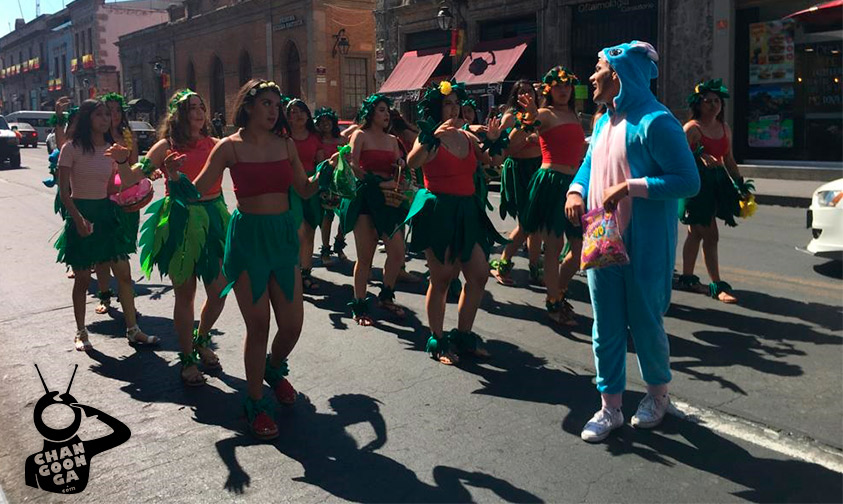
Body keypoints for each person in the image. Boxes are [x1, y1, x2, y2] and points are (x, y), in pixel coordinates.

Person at [164, 79, 322, 440]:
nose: (274, 110)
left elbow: (304, 187)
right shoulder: (228, 147)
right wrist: (174, 178)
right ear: (249, 106)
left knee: (293, 324)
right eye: (266, 103)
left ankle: (274, 368)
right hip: (248, 240)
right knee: (259, 326)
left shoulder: (286, 145)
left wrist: (329, 175)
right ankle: (255, 404)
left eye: (276, 104)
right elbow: (199, 187)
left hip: (283, 240)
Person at [564, 41, 699, 443]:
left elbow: (687, 180)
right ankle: (610, 408)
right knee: (604, 326)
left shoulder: (657, 122)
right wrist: (575, 189)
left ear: (620, 74)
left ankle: (658, 396)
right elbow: (590, 164)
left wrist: (631, 187)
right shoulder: (603, 120)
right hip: (601, 235)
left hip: (645, 242)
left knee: (645, 324)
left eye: (598, 67)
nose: (591, 76)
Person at [405, 80, 507, 365]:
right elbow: (412, 163)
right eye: (447, 104)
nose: (454, 108)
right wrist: (431, 138)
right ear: (437, 109)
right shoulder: (429, 136)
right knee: (442, 277)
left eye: (456, 104)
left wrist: (497, 138)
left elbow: (494, 159)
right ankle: (437, 339)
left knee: (478, 274)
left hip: (467, 210)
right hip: (440, 211)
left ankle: (463, 335)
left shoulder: (468, 137)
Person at [136, 89, 230, 386]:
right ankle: (187, 358)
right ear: (179, 114)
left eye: (202, 106)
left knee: (219, 290)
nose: (199, 112)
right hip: (180, 220)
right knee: (185, 293)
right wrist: (126, 163)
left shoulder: (217, 144)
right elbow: (138, 174)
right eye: (192, 108)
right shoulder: (167, 146)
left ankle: (201, 338)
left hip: (214, 218)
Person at [55, 99, 159, 351]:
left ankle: (133, 329)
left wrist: (138, 171)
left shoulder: (113, 148)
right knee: (81, 279)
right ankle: (81, 331)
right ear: (87, 118)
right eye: (99, 115)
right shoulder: (72, 148)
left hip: (106, 215)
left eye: (107, 115)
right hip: (81, 215)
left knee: (123, 274)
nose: (106, 119)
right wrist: (78, 219)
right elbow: (64, 191)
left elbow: (118, 184)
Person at [518, 67, 587, 325]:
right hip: (551, 182)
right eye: (558, 86)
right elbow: (529, 125)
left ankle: (558, 289)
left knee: (579, 249)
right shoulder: (545, 114)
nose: (563, 90)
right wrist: (531, 114)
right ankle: (553, 301)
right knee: (554, 245)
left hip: (575, 185)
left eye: (567, 86)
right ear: (549, 90)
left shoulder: (573, 114)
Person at [336, 94, 409, 325]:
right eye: (381, 110)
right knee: (365, 258)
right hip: (366, 199)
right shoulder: (360, 134)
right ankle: (359, 305)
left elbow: (398, 168)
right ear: (370, 113)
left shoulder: (392, 139)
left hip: (388, 201)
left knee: (397, 253)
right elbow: (353, 166)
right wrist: (377, 182)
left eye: (387, 110)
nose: (386, 114)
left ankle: (386, 296)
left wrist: (401, 167)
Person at [676, 79, 750, 304]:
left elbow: (728, 159)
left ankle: (687, 278)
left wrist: (740, 184)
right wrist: (699, 157)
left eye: (717, 101)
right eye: (708, 101)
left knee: (696, 233)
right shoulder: (691, 129)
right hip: (696, 187)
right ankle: (717, 285)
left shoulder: (724, 127)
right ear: (698, 103)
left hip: (716, 186)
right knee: (711, 235)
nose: (713, 105)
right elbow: (675, 158)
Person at [489, 80, 544, 286]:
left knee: (535, 224)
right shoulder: (512, 116)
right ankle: (504, 263)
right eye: (522, 92)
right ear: (515, 96)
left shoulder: (539, 112)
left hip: (537, 168)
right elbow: (506, 148)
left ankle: (534, 268)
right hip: (519, 170)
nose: (526, 95)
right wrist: (525, 137)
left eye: (529, 91)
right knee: (527, 224)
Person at [287, 99, 327, 291]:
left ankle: (305, 273)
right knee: (299, 230)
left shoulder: (314, 137)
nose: (299, 115)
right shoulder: (283, 137)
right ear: (287, 117)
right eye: (293, 112)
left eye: (302, 111)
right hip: (291, 187)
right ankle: (293, 272)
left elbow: (321, 164)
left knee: (310, 230)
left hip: (312, 186)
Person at [313, 106, 349, 265]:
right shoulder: (318, 141)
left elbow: (350, 159)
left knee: (345, 216)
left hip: (343, 182)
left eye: (328, 120)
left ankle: (339, 244)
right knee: (327, 217)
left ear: (334, 122)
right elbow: (321, 162)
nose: (325, 124)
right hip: (327, 183)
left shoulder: (343, 140)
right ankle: (325, 250)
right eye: (322, 121)